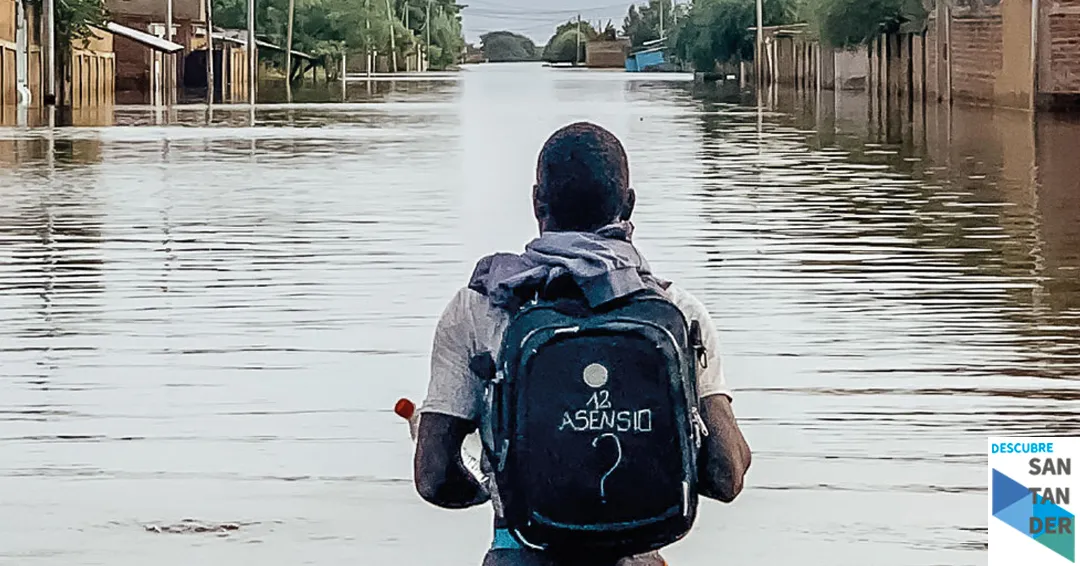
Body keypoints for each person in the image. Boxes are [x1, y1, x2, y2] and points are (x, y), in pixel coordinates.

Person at [413, 122, 752, 566]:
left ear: (537, 200)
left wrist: (502, 486)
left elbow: (435, 477)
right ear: (629, 205)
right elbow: (726, 474)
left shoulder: (479, 307)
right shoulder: (675, 311)